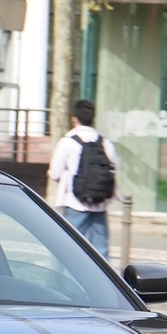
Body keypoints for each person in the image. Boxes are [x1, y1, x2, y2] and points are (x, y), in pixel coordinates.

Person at [47, 98, 120, 259]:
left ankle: (64, 282)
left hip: (74, 202)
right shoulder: (105, 143)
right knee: (101, 249)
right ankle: (102, 283)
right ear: (93, 118)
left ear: (74, 118)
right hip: (100, 203)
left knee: (70, 247)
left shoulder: (67, 142)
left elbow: (54, 172)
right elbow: (115, 166)